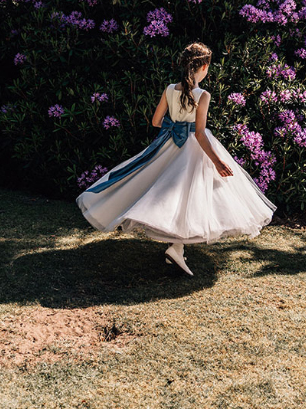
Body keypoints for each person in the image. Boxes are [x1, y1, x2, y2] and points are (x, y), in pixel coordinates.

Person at [77, 42, 276, 276]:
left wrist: (172, 129)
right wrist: (217, 161)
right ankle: (177, 247)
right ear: (203, 67)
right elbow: (200, 134)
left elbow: (155, 121)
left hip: (169, 144)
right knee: (190, 197)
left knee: (169, 193)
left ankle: (177, 246)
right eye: (208, 66)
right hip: (195, 147)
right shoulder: (203, 95)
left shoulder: (170, 89)